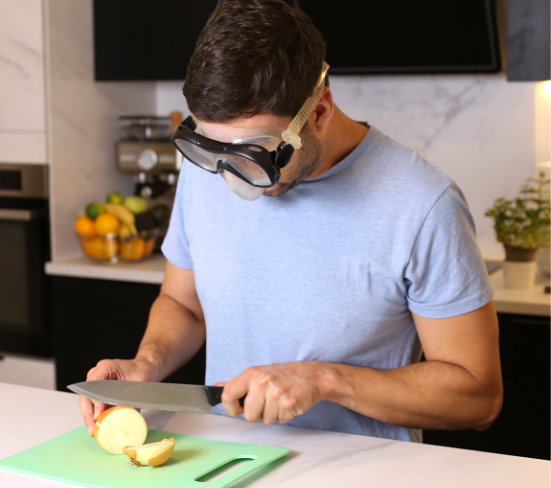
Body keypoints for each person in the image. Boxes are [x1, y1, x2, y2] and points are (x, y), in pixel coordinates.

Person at [81, 0, 503, 443]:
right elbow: (184, 305)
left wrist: (325, 381)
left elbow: (478, 398)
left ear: (319, 111)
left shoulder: (423, 202)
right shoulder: (208, 169)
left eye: (254, 154)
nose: (231, 180)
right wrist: (145, 366)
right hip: (223, 462)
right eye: (213, 149)